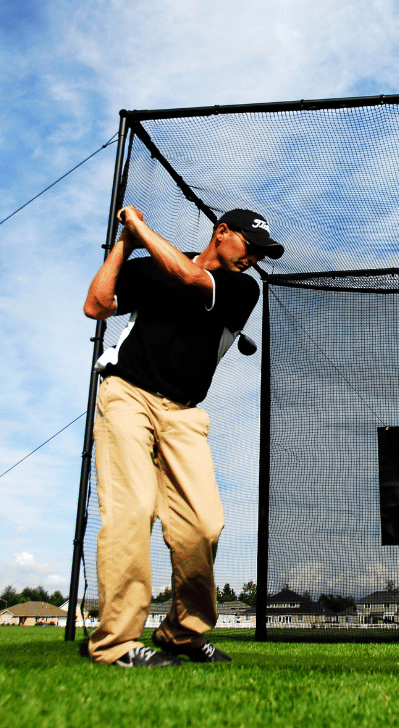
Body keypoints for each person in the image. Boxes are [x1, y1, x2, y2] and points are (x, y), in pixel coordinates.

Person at [83, 206, 283, 667]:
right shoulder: (152, 266)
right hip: (126, 397)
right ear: (222, 232)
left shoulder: (241, 287)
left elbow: (190, 278)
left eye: (260, 254)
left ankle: (182, 633)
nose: (252, 258)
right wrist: (124, 246)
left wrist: (141, 228)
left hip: (184, 415)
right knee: (131, 512)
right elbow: (96, 305)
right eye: (248, 247)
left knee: (203, 524)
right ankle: (115, 642)